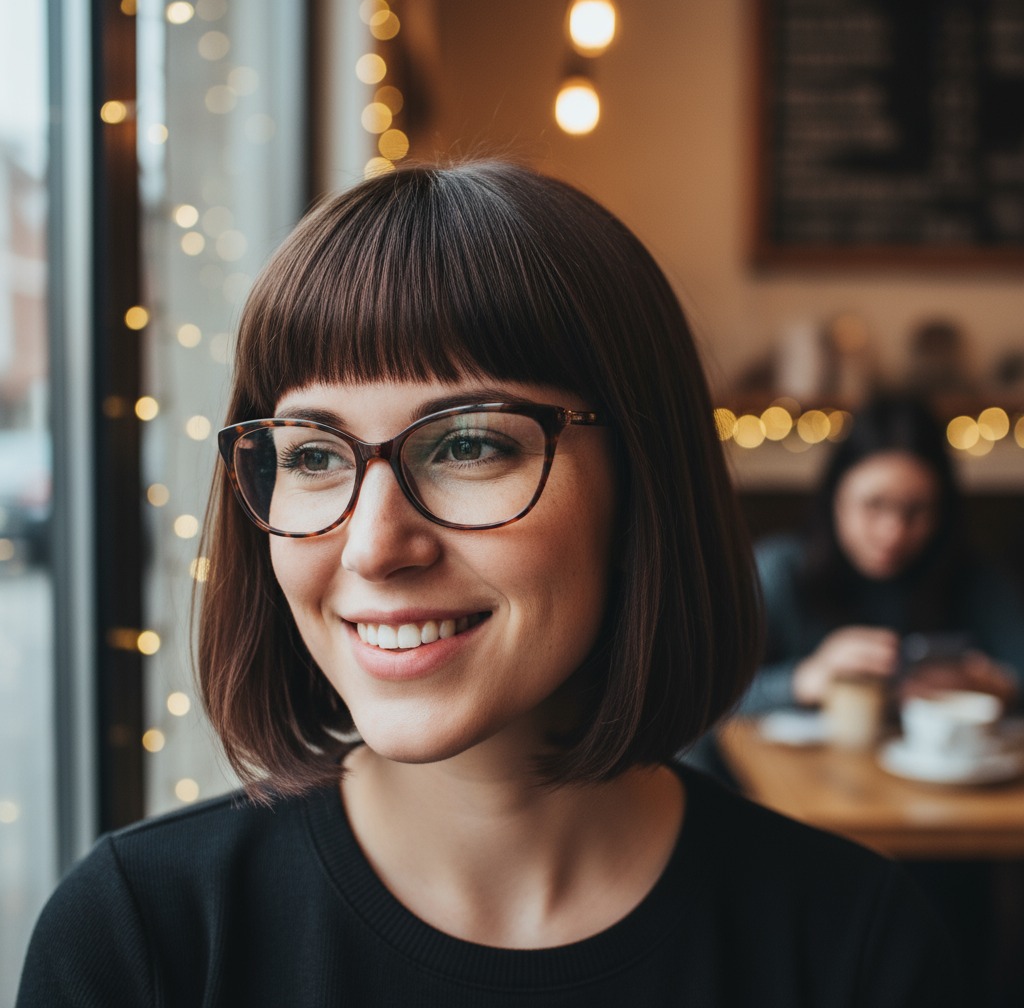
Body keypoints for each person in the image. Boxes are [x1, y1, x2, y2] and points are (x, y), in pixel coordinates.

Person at [17, 162, 963, 1006]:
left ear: (645, 484)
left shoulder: (853, 948)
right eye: (312, 455)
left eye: (469, 444)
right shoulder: (142, 939)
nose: (374, 546)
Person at [742, 395, 1024, 716]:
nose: (893, 532)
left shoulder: (974, 576)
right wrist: (803, 679)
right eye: (874, 504)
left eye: (916, 510)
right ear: (836, 498)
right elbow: (704, 703)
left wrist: (995, 686)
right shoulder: (779, 570)